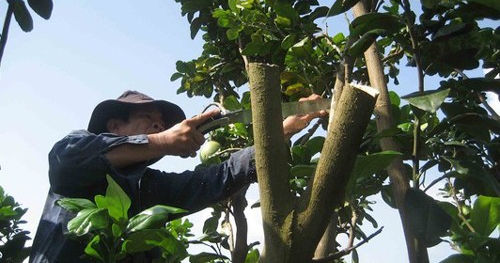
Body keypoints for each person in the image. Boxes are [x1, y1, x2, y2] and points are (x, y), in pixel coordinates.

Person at [29, 90, 327, 262]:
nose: (159, 127)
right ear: (115, 126)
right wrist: (164, 142)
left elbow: (219, 178)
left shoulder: (149, 187)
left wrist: (282, 131)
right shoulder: (76, 150)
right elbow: (67, 160)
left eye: (162, 125)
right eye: (149, 119)